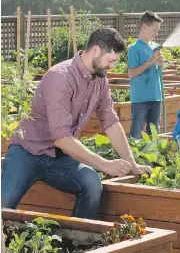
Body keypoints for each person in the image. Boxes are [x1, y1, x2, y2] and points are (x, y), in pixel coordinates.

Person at [1, 27, 153, 219]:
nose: (112, 66)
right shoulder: (60, 78)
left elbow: (111, 121)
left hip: (60, 158)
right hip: (28, 152)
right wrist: (105, 164)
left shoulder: (100, 81)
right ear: (96, 50)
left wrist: (132, 164)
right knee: (4, 203)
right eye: (111, 60)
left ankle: (79, 242)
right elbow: (62, 138)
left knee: (91, 183)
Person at [127, 11, 165, 139]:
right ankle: (132, 157)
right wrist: (150, 61)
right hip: (140, 99)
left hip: (156, 96)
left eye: (158, 30)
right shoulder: (134, 48)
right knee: (136, 134)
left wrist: (161, 63)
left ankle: (153, 159)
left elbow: (159, 70)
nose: (157, 33)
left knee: (154, 134)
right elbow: (131, 73)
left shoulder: (155, 46)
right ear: (144, 27)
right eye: (155, 30)